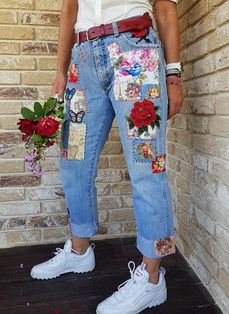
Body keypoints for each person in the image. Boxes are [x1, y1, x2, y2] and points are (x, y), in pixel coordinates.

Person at [31, 0, 184, 313]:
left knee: (146, 165)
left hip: (134, 49)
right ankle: (79, 250)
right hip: (83, 56)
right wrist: (60, 69)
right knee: (73, 158)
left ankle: (153, 278)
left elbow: (166, 7)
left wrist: (173, 75)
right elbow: (69, 7)